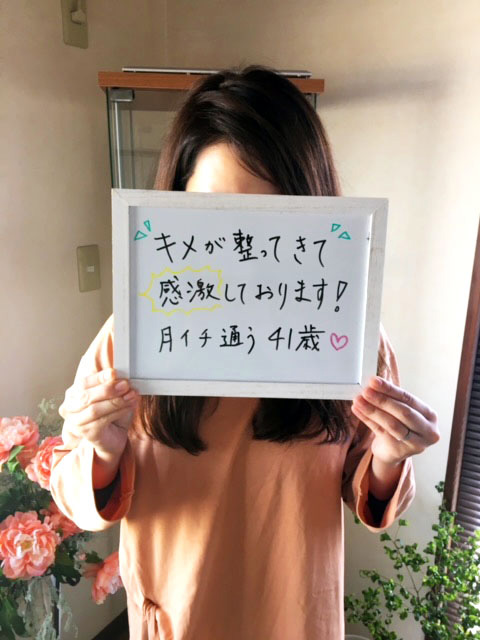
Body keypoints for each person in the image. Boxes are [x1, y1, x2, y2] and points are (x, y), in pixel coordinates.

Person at [50, 65, 440, 640]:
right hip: (177, 615)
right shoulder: (131, 334)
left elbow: (370, 490)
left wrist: (389, 455)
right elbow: (73, 491)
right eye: (212, 215)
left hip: (295, 615)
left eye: (270, 220)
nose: (241, 248)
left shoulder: (350, 338)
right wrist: (102, 451)